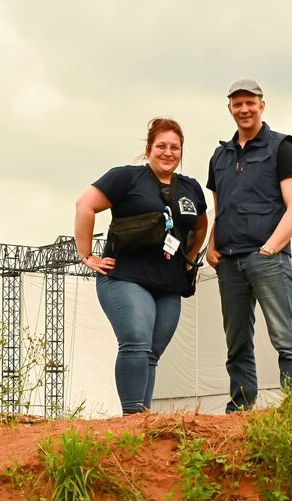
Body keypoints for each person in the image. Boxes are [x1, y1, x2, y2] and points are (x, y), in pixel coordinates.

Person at [74, 118, 208, 415]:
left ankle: (143, 420)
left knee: (150, 353)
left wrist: (189, 260)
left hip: (168, 284)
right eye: (161, 146)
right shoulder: (126, 178)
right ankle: (132, 417)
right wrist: (86, 255)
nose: (168, 152)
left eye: (175, 147)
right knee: (135, 341)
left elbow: (200, 226)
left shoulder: (190, 188)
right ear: (149, 149)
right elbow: (85, 205)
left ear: (181, 152)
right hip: (125, 278)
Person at [206, 79, 292, 412]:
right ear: (230, 109)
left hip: (267, 258)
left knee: (284, 338)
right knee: (237, 343)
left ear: (262, 105)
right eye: (237, 104)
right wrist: (211, 245)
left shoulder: (281, 147)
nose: (244, 109)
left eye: (250, 102)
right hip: (229, 262)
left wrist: (271, 248)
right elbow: (219, 208)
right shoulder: (219, 156)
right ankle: (239, 409)